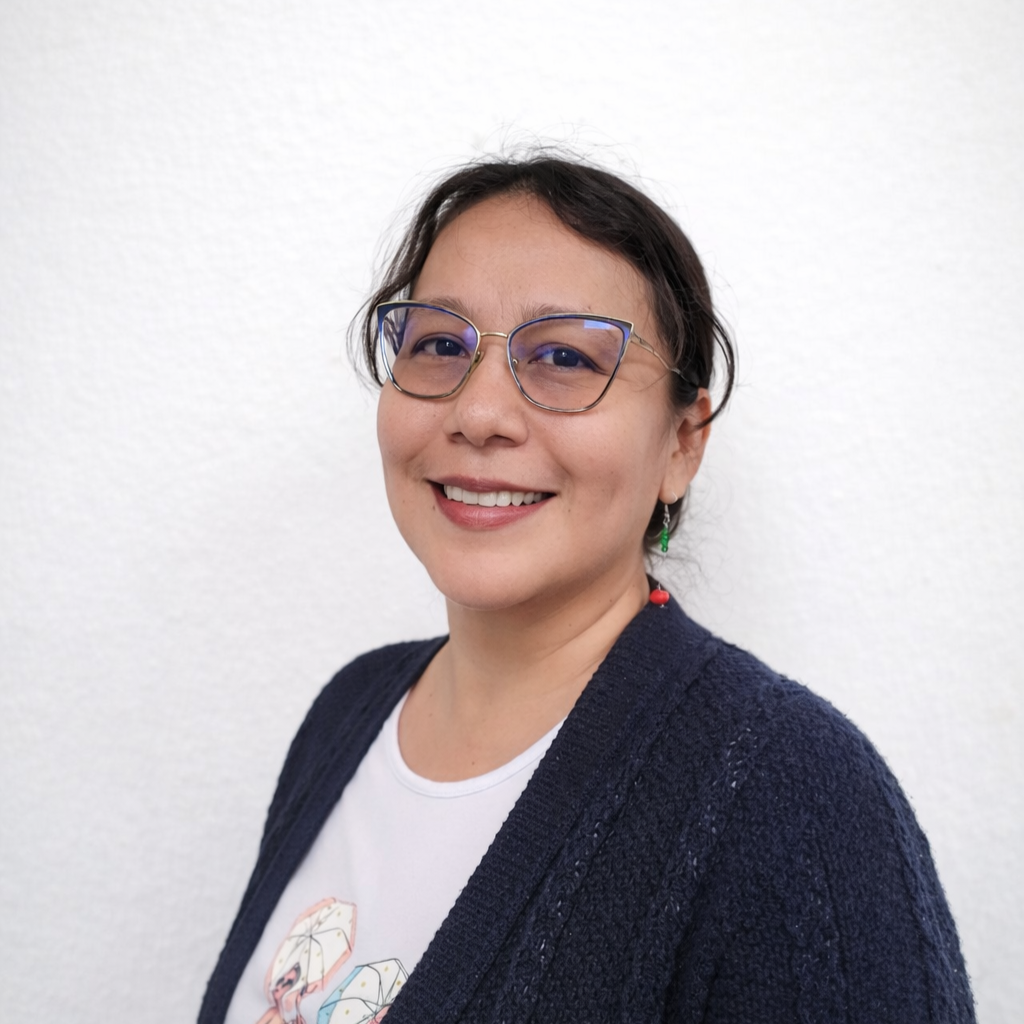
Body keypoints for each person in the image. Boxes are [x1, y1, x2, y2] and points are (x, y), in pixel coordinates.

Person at [199, 154, 975, 1024]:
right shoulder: (348, 712)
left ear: (682, 444)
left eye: (565, 356)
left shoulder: (793, 796)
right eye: (439, 344)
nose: (479, 413)